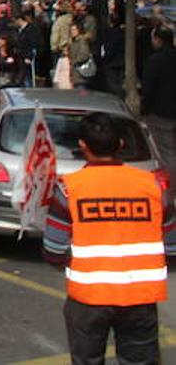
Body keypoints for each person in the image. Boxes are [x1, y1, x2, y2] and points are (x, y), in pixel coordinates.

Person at [42, 112, 176, 365]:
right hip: (141, 298)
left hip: (88, 300)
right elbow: (172, 246)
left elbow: (53, 251)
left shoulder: (69, 188)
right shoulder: (153, 186)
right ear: (121, 145)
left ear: (82, 145)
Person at [140, 24, 176, 169]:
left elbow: (149, 89)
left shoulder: (154, 61)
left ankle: (172, 188)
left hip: (160, 114)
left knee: (166, 153)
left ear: (158, 39)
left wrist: (144, 109)